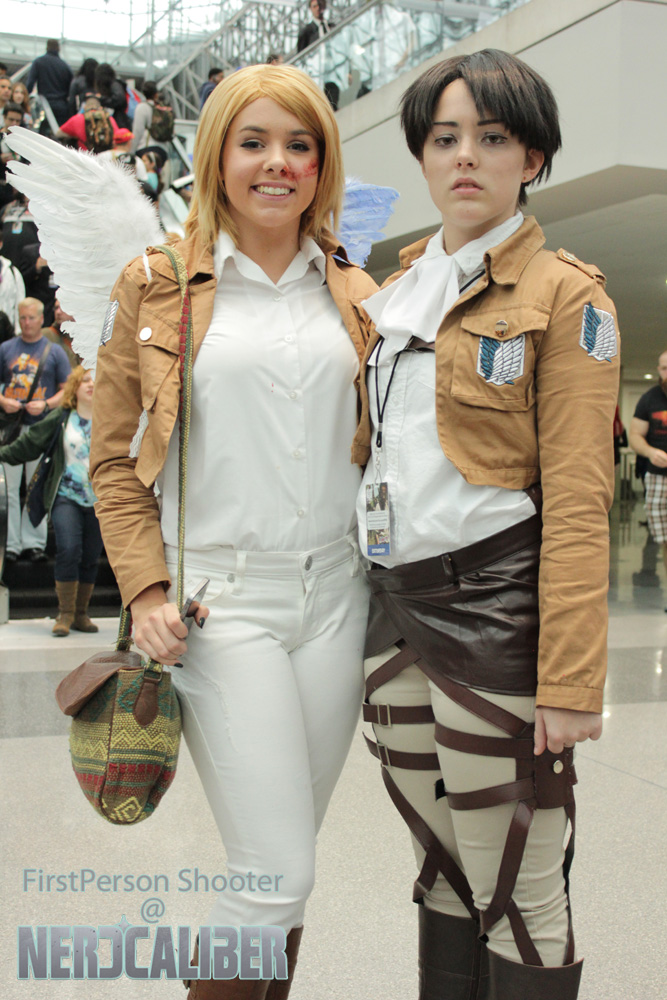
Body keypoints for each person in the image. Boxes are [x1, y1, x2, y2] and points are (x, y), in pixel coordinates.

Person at [89, 63, 377, 998]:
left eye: (299, 145)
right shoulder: (157, 283)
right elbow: (113, 460)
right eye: (253, 142)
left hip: (338, 602)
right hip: (221, 608)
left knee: (284, 870)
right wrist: (145, 589)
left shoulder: (355, 290)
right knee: (275, 874)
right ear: (217, 155)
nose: (276, 163)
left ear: (322, 164)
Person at [354, 49, 619, 999]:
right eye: (444, 138)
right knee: (442, 872)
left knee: (517, 890)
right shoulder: (392, 293)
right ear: (422, 157)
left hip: (496, 615)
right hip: (392, 617)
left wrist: (571, 680)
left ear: (531, 158)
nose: (464, 156)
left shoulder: (565, 293)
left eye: (492, 137)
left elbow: (580, 500)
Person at [0, 366, 102, 635]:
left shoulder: (110, 418)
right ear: (75, 387)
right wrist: (3, 454)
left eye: (95, 380)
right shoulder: (62, 417)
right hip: (65, 495)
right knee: (68, 549)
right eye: (85, 380)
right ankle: (65, 614)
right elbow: (30, 442)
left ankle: (81, 614)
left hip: (100, 501)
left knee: (91, 557)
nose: (91, 384)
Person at [0, 296, 71, 562]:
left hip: (41, 427)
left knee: (37, 484)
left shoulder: (54, 352)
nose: (27, 323)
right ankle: (10, 542)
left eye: (31, 318)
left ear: (41, 319)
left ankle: (34, 542)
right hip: (12, 426)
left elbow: (67, 390)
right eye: (23, 318)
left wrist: (46, 404)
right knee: (9, 488)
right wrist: (4, 401)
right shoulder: (6, 348)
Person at [629, 351, 667, 575]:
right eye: (664, 368)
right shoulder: (649, 399)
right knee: (663, 536)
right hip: (658, 475)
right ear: (659, 370)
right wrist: (650, 452)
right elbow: (635, 436)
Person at [26, 39, 73, 127]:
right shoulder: (65, 66)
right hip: (62, 106)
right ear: (58, 48)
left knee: (42, 133)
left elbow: (30, 84)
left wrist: (25, 100)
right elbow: (71, 88)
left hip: (44, 105)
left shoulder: (38, 62)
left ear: (46, 47)